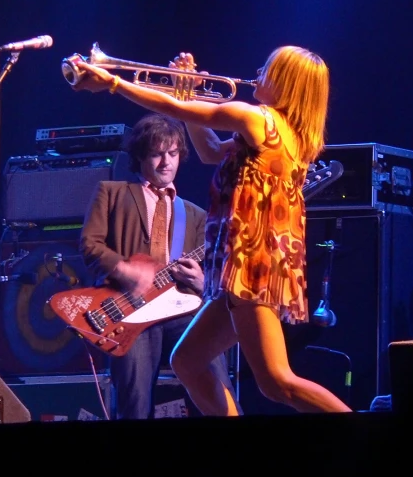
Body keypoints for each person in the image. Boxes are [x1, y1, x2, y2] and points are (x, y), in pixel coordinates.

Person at [72, 45, 352, 415]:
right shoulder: (285, 132)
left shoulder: (259, 120)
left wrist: (112, 82)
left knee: (276, 381)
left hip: (251, 266)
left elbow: (176, 111)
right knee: (187, 361)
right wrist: (185, 89)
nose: (257, 70)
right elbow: (207, 150)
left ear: (284, 82)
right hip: (247, 266)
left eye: (266, 68)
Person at [79, 112, 239, 420]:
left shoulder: (194, 214)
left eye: (173, 153)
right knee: (135, 403)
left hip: (180, 308)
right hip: (128, 310)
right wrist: (125, 270)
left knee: (217, 385)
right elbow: (89, 245)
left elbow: (216, 276)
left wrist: (201, 279)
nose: (166, 162)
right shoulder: (111, 193)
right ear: (140, 155)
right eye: (156, 153)